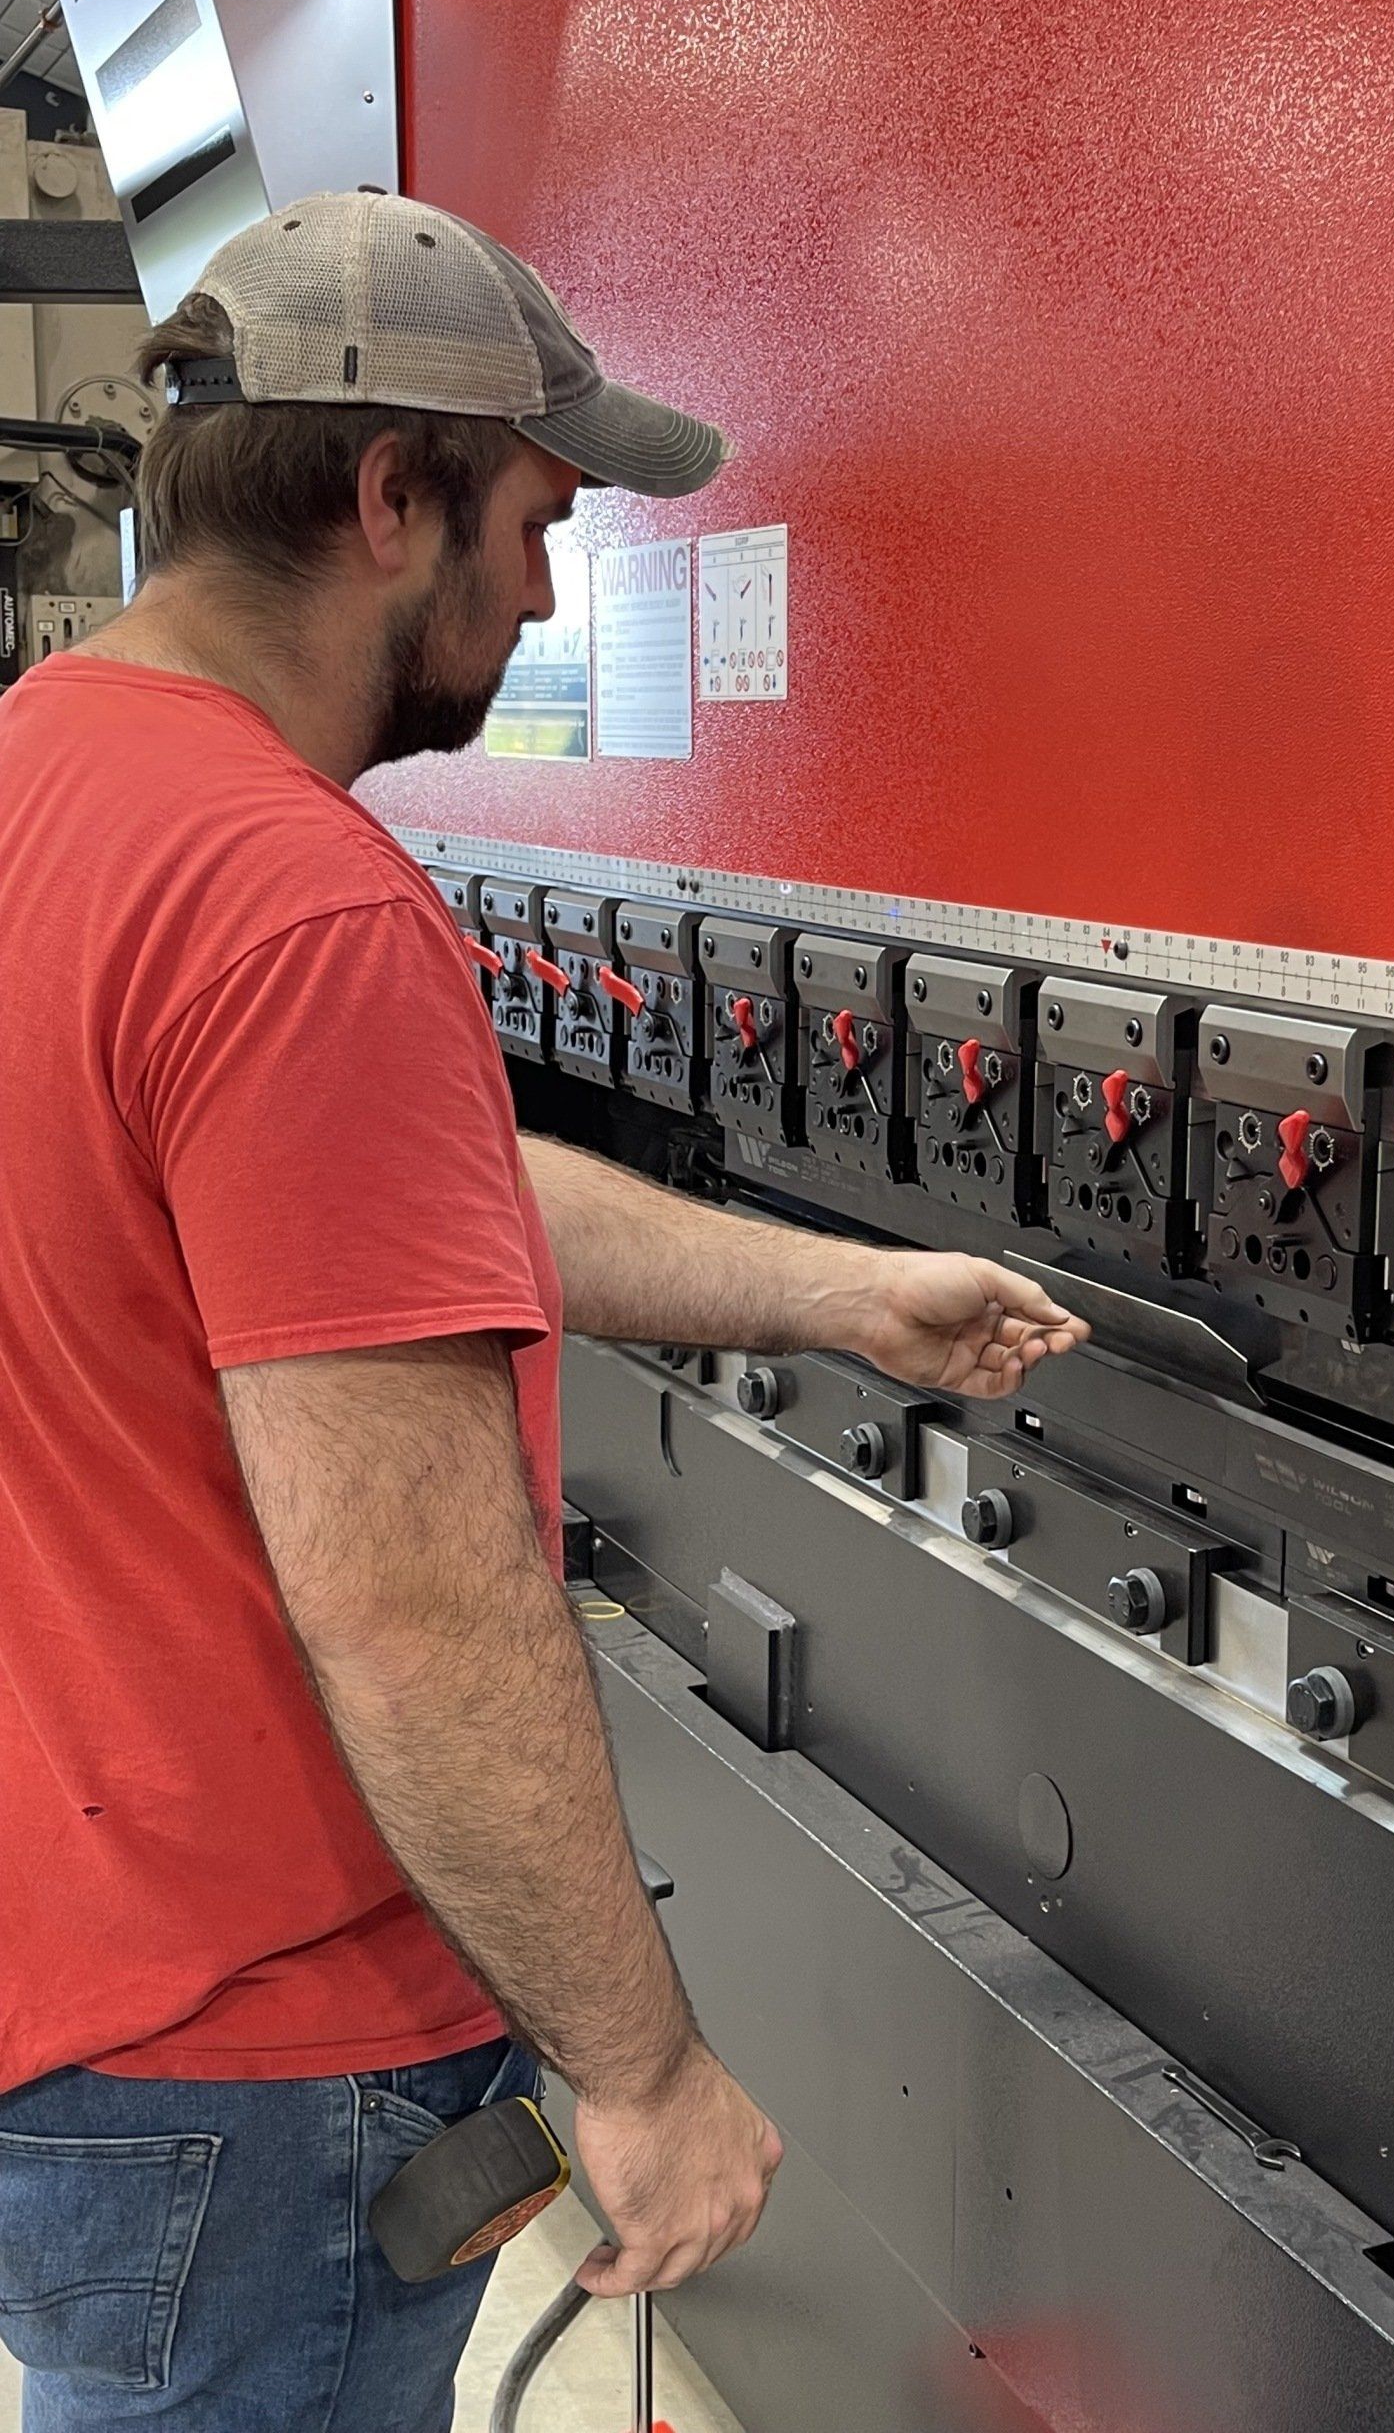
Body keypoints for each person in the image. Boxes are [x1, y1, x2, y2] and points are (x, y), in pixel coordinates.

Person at [0, 188, 1088, 2431]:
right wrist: (643, 2061)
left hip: (70, 1973)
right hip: (258, 2050)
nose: (551, 590)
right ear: (394, 497)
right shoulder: (298, 902)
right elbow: (409, 1598)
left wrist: (833, 1285)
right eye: (538, 519)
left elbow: (376, 1203)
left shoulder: (47, 781)